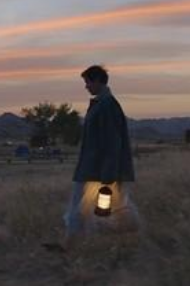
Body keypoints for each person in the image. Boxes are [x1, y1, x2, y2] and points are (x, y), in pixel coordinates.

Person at [44, 65, 139, 252]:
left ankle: (72, 245)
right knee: (85, 207)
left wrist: (108, 173)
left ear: (97, 81)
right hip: (93, 166)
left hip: (97, 168)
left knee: (98, 207)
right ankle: (72, 244)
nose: (86, 86)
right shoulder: (102, 104)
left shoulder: (107, 106)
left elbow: (112, 141)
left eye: (87, 82)